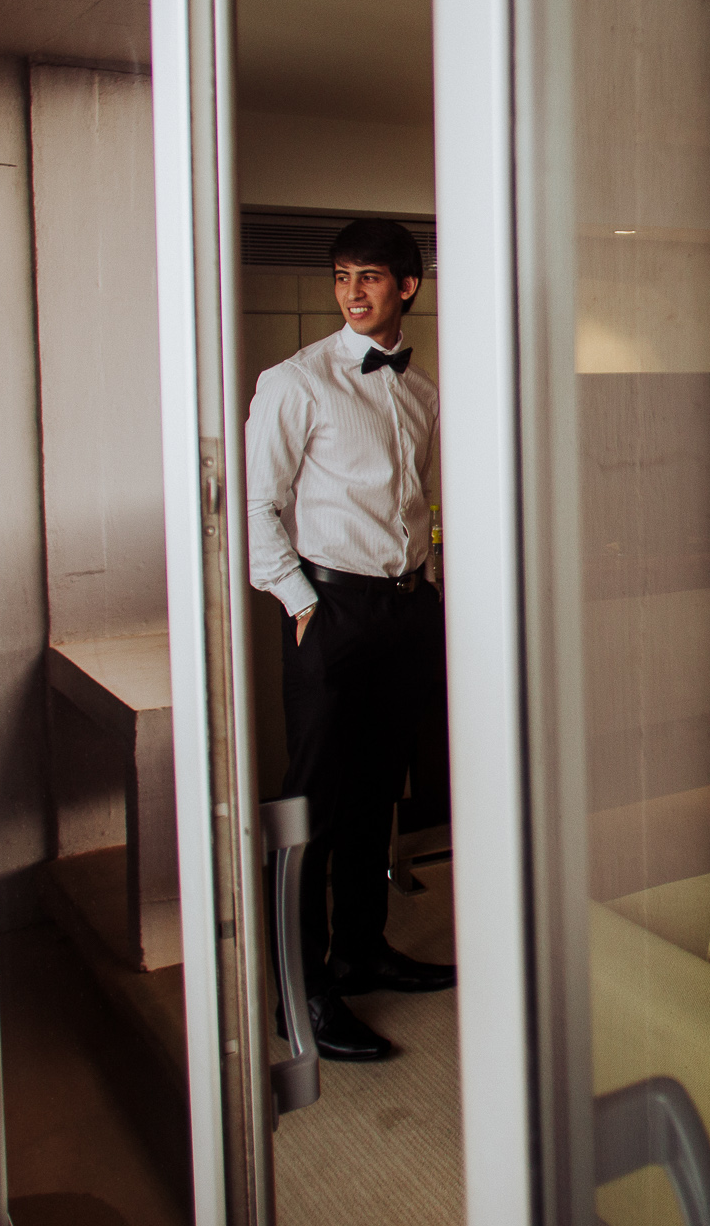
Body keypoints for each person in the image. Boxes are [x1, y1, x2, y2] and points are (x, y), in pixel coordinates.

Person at [246, 217, 456, 1062]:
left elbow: (421, 504)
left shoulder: (422, 391)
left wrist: (433, 586)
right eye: (342, 277)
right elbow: (254, 506)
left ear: (406, 286)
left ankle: (361, 951)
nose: (352, 292)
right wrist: (301, 602)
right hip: (330, 613)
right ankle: (299, 994)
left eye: (369, 276)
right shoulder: (297, 381)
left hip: (405, 612)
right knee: (313, 806)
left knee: (378, 793)